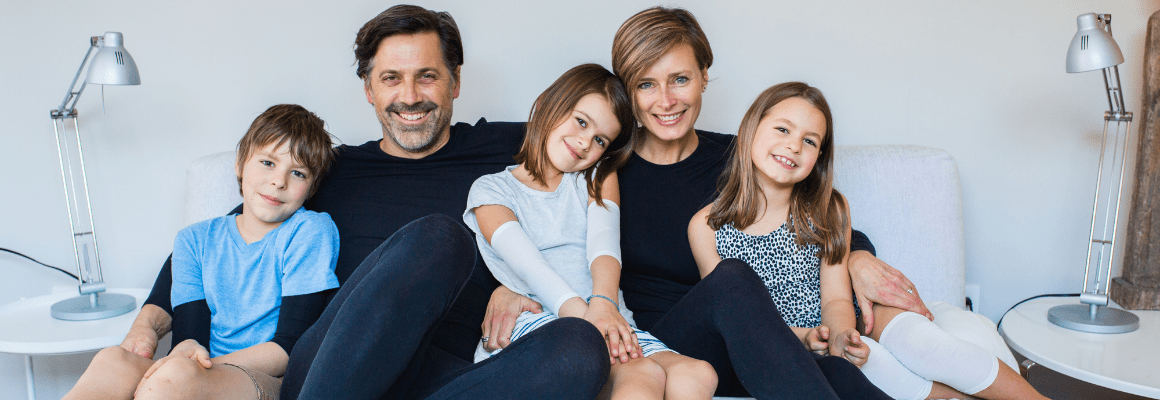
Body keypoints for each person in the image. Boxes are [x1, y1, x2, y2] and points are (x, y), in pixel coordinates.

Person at [119, 5, 610, 400]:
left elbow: (603, 158)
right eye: (391, 78)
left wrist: (512, 280)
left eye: (427, 77)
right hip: (335, 368)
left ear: (456, 82)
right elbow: (226, 235)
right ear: (370, 91)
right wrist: (147, 325)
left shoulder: (511, 150)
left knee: (581, 346)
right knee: (439, 238)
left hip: (454, 370)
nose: (411, 96)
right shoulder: (330, 168)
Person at [483, 7, 923, 399]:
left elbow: (812, 204)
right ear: (628, 93)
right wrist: (507, 287)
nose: (667, 100)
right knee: (731, 279)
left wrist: (859, 256)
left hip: (745, 343)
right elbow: (535, 219)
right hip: (649, 341)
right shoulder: (600, 165)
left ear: (704, 76)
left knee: (838, 374)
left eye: (680, 79)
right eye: (647, 85)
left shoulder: (744, 157)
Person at [689, 82, 1049, 400]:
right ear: (751, 129)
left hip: (839, 332)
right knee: (868, 376)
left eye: (809, 141)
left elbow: (835, 297)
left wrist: (842, 336)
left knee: (915, 348)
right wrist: (804, 338)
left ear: (818, 157)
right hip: (782, 347)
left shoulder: (828, 209)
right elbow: (732, 317)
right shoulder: (707, 226)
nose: (793, 146)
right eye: (782, 129)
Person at [464, 64, 717, 399]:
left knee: (699, 373)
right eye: (581, 121)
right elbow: (532, 269)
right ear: (545, 104)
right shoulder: (491, 191)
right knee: (643, 375)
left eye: (600, 139)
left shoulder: (595, 176)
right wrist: (587, 324)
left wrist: (603, 303)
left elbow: (604, 244)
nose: (585, 142)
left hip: (606, 312)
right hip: (545, 320)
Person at [64, 104, 340, 400]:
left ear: (311, 189)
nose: (279, 181)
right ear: (240, 164)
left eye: (297, 173)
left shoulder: (310, 232)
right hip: (196, 368)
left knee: (175, 374)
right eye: (268, 163)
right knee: (112, 360)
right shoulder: (193, 241)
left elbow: (287, 348)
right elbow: (189, 336)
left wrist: (191, 365)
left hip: (269, 376)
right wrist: (185, 359)